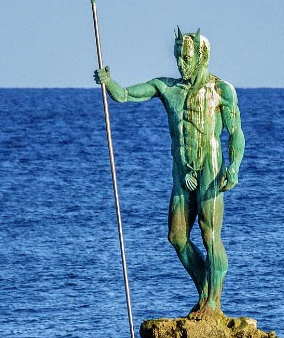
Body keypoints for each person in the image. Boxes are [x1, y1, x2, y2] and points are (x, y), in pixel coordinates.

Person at [95, 27, 245, 316]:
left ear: (202, 57)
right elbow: (126, 95)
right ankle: (205, 284)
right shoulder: (168, 88)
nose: (180, 63)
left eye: (186, 57)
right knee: (177, 236)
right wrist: (108, 82)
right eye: (177, 57)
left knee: (209, 232)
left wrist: (234, 166)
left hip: (210, 168)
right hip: (181, 171)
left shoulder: (220, 90)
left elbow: (236, 132)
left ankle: (213, 303)